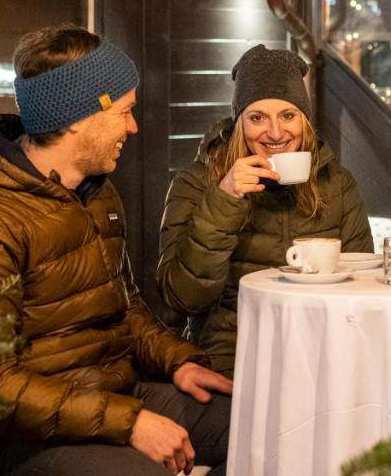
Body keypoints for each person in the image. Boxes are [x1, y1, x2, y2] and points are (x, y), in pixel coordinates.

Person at [0, 25, 233, 476]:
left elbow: (123, 306)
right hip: (9, 438)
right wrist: (129, 423)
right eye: (124, 111)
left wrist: (177, 361)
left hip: (104, 392)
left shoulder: (93, 190)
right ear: (83, 114)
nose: (133, 127)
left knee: (261, 427)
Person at [158, 45, 373, 377]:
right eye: (257, 118)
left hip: (323, 344)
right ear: (239, 123)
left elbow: (362, 281)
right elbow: (183, 297)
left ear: (305, 120)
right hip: (236, 346)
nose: (275, 133)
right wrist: (226, 198)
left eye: (288, 116)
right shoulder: (199, 182)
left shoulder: (337, 183)